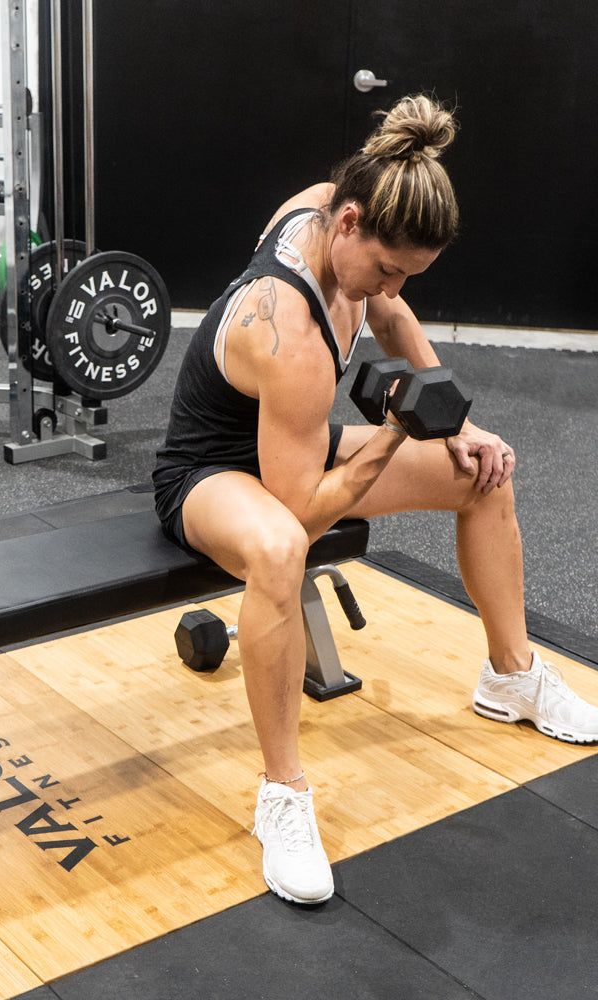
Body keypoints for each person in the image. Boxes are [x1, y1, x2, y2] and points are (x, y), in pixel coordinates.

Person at [151, 94, 598, 906]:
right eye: (388, 267)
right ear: (349, 222)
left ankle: (512, 676)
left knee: (483, 471)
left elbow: (389, 313)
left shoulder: (338, 216)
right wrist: (399, 429)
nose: (392, 287)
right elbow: (302, 511)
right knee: (281, 552)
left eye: (410, 273)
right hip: (209, 474)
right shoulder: (285, 327)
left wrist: (452, 418)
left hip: (291, 445)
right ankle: (283, 795)